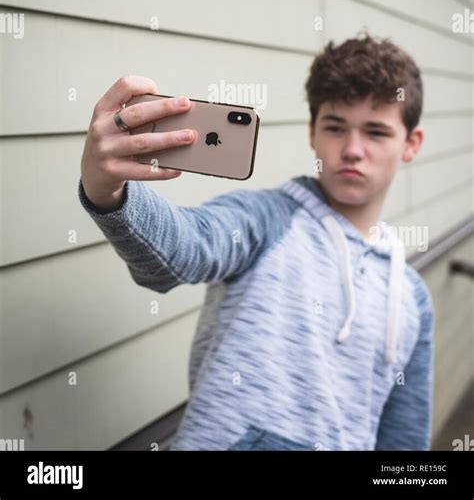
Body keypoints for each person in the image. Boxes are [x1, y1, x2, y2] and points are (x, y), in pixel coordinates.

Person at [78, 33, 434, 451]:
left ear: (411, 144)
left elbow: (404, 442)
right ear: (312, 133)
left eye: (376, 132)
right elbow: (184, 250)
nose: (353, 150)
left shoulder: (412, 298)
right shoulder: (264, 220)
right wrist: (108, 192)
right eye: (336, 127)